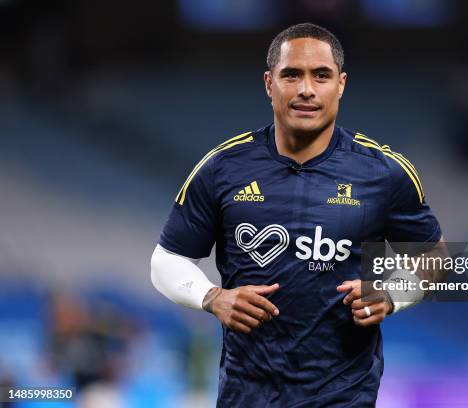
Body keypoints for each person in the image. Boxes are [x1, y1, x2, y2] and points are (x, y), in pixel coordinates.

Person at [151, 22, 446, 407]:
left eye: (320, 75)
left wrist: (392, 293)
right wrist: (212, 297)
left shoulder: (384, 172)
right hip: (247, 397)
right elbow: (166, 260)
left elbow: (436, 257)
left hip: (344, 397)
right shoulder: (222, 167)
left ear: (340, 84)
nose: (306, 88)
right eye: (292, 74)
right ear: (269, 84)